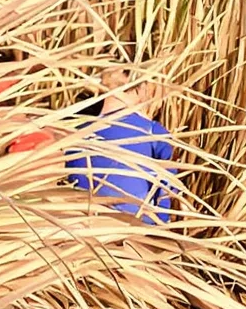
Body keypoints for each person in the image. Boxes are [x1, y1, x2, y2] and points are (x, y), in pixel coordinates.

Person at [66, 65, 174, 223]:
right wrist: (161, 223)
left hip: (85, 223)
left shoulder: (77, 132)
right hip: (137, 224)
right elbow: (168, 187)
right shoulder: (153, 132)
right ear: (141, 90)